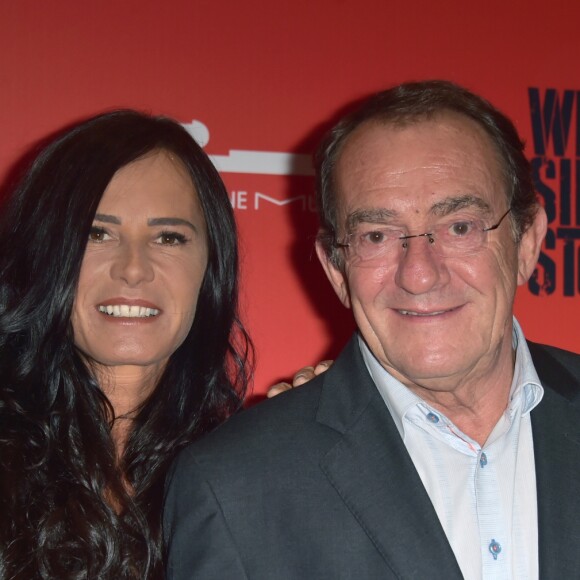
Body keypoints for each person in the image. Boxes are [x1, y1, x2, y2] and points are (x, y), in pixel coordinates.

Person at [164, 81, 580, 579]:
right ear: (336, 269)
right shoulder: (235, 488)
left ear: (528, 242)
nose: (420, 273)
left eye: (461, 227)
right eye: (377, 236)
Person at [0, 110, 253, 578]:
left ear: (209, 268)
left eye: (168, 237)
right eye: (97, 233)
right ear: (44, 251)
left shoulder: (251, 468)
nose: (133, 269)